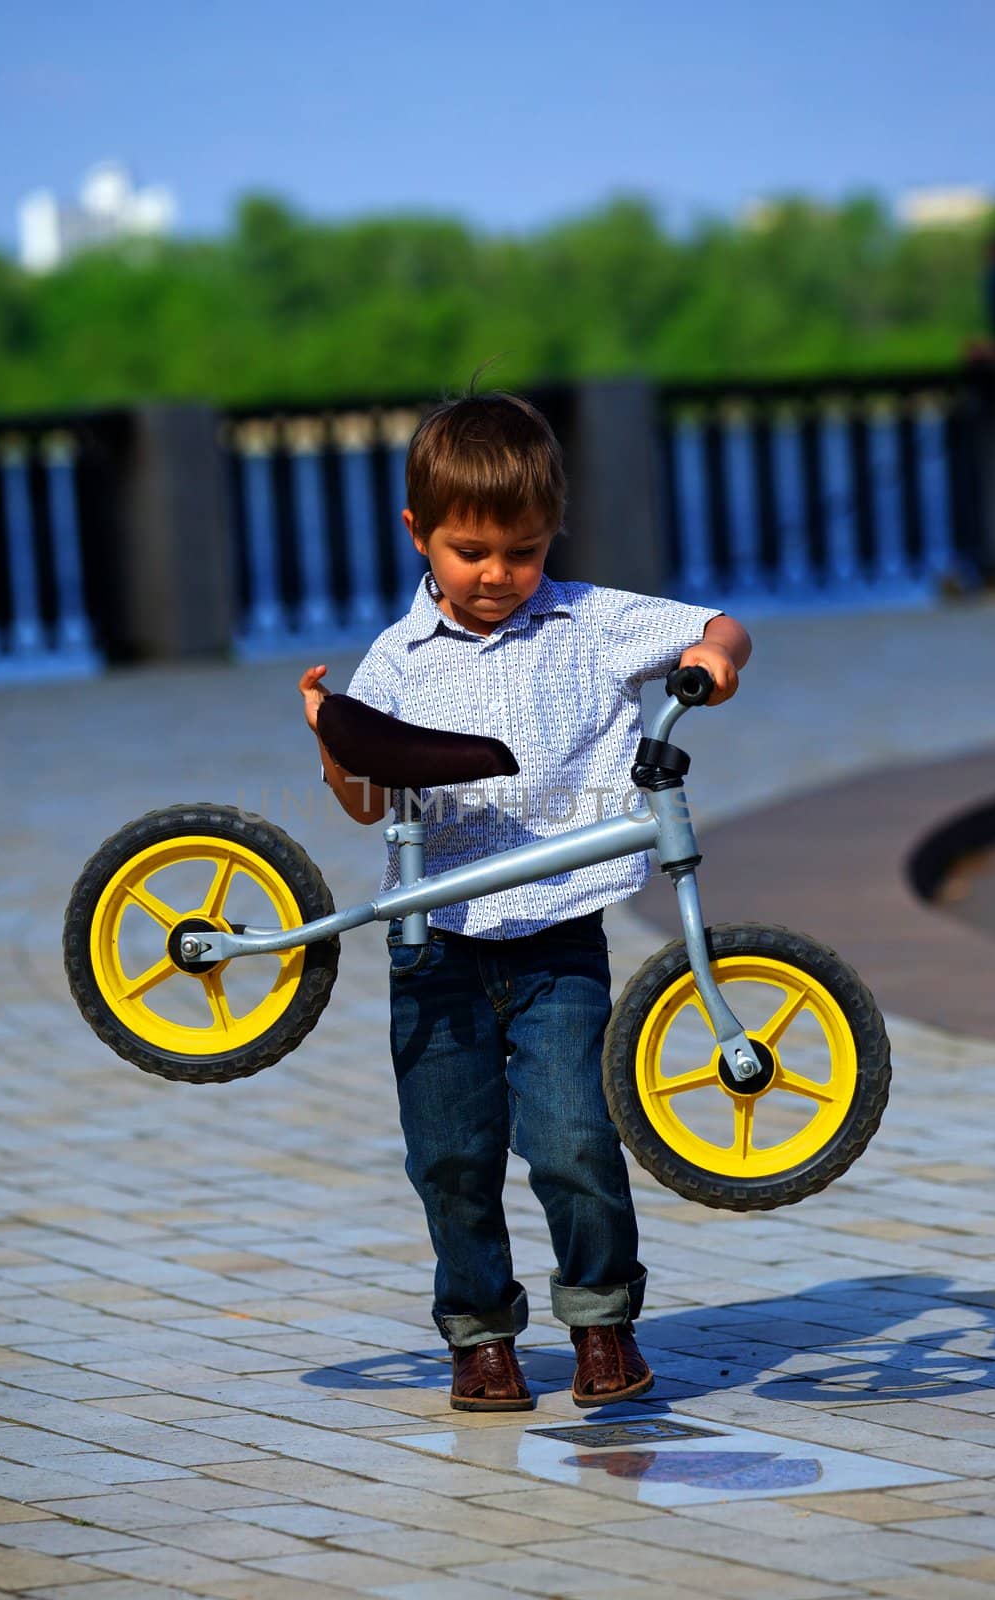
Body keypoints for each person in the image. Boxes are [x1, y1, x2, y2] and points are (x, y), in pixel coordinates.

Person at [298, 392, 750, 1411]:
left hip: (556, 942)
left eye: (522, 549)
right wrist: (332, 736)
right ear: (417, 533)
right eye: (471, 552)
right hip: (436, 946)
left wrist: (713, 661)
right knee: (450, 1156)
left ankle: (600, 1324)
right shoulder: (396, 662)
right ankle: (479, 1336)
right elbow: (367, 804)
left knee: (576, 1139)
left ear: (551, 536)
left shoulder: (588, 621)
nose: (498, 574)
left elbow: (717, 623)